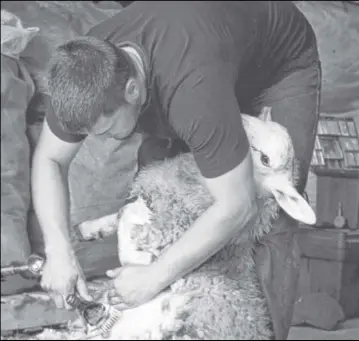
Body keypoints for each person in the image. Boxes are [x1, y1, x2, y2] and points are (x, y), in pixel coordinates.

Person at [31, 1, 320, 338]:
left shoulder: (191, 92)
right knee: (158, 204)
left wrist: (154, 278)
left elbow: (238, 206)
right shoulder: (84, 73)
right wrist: (58, 250)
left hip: (274, 67)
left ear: (132, 90)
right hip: (204, 53)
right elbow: (50, 159)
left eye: (106, 129)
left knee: (266, 213)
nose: (104, 140)